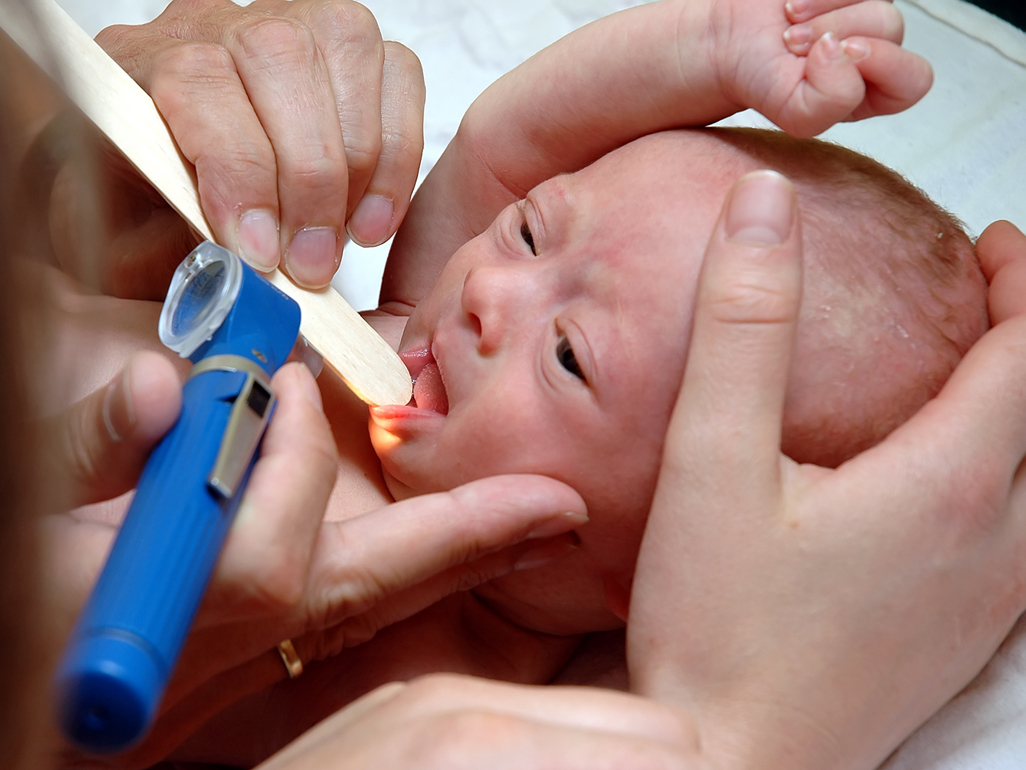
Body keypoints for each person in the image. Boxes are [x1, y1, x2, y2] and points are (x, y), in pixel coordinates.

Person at [7, 2, 1026, 767]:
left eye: (571, 354)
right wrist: (719, 46)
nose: (492, 290)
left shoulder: (498, 679)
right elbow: (511, 138)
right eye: (533, 228)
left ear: (661, 563)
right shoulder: (405, 335)